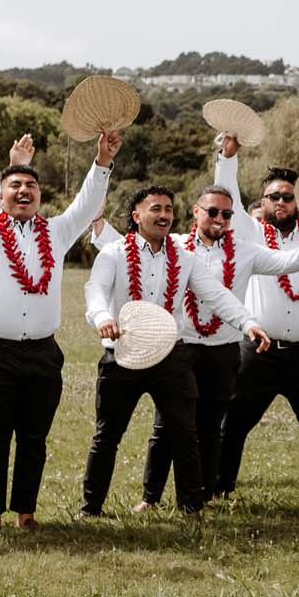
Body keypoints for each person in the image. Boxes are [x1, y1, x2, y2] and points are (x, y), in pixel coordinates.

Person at [0, 105, 117, 533]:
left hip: (43, 354)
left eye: (30, 186)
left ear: (39, 195)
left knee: (34, 439)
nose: (24, 191)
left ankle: (26, 513)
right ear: (1, 195)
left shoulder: (56, 232)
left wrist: (102, 162)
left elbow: (85, 206)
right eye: (15, 185)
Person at [130, 164, 299, 509]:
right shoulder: (176, 246)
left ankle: (204, 495)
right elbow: (130, 249)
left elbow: (289, 261)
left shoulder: (246, 251)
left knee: (211, 427)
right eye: (212, 212)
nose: (220, 218)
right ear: (196, 212)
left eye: (226, 213)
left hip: (224, 351)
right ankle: (150, 498)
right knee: (167, 427)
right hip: (181, 349)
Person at [81, 185, 272, 518]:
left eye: (169, 209)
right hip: (123, 355)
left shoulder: (184, 258)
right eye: (156, 208)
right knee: (108, 435)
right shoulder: (113, 253)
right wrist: (102, 316)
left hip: (170, 357)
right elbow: (95, 288)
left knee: (184, 433)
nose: (165, 215)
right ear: (136, 215)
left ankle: (191, 507)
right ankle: (90, 509)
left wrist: (248, 323)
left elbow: (216, 294)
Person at [214, 147, 299, 497]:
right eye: (273, 197)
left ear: (298, 203)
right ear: (264, 201)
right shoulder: (250, 235)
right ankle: (219, 487)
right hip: (260, 350)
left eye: (288, 197)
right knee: (233, 422)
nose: (280, 203)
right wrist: (227, 158)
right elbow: (227, 192)